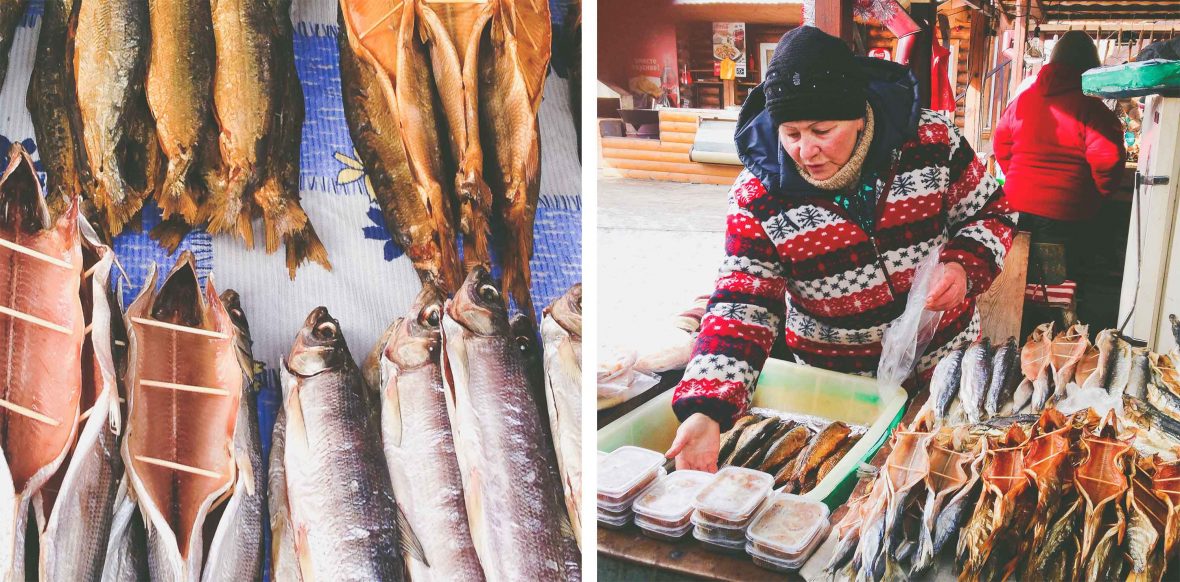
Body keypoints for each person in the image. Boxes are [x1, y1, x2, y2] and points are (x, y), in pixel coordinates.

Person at [666, 26, 1015, 472]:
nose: (805, 150)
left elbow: (992, 211)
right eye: (790, 133)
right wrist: (706, 407)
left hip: (943, 361)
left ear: (858, 115)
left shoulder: (931, 143)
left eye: (821, 130)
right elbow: (743, 301)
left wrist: (967, 265)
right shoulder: (757, 196)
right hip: (836, 382)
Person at [992, 31, 1126, 288]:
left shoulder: (1022, 101)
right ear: (1090, 68)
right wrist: (1099, 193)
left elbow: (1001, 145)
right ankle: (1058, 327)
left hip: (1015, 206)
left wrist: (1019, 179)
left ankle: (1020, 324)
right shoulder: (1094, 110)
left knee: (1014, 277)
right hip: (1067, 212)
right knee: (1058, 283)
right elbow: (1108, 159)